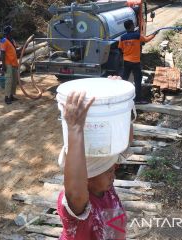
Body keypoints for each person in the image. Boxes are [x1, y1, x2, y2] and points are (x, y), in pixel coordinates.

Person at [57, 76, 133, 239]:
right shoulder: (80, 206)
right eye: (109, 170)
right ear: (87, 177)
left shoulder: (104, 187)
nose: (114, 173)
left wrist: (121, 99)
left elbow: (125, 141)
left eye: (113, 169)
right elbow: (75, 192)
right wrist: (75, 128)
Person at [118, 19, 157, 104]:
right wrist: (153, 35)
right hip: (135, 62)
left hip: (126, 62)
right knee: (137, 80)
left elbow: (120, 49)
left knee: (124, 79)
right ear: (132, 26)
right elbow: (146, 40)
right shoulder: (137, 36)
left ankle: (120, 97)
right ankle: (138, 99)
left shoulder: (122, 38)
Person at [0, 25, 20, 105]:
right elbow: (2, 53)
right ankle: (6, 97)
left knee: (14, 81)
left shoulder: (12, 41)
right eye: (11, 31)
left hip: (14, 63)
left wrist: (22, 48)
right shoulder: (3, 41)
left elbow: (16, 51)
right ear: (8, 32)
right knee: (8, 81)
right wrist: (3, 65)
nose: (13, 32)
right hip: (8, 64)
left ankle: (11, 96)